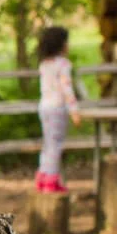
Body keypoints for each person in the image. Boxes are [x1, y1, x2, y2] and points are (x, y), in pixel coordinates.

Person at [36, 25, 81, 194]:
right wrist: (74, 111)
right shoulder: (63, 64)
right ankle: (51, 181)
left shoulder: (44, 64)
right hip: (57, 108)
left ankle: (43, 177)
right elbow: (66, 89)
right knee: (55, 145)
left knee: (48, 143)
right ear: (61, 44)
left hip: (44, 107)